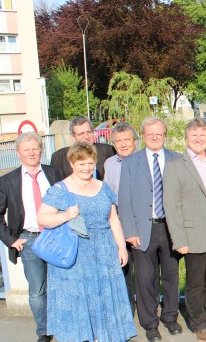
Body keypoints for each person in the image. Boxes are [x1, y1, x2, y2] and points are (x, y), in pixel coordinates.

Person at [37, 142, 136, 342]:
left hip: (104, 252)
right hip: (75, 254)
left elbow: (113, 219)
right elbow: (43, 219)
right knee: (80, 300)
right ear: (72, 163)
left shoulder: (102, 186)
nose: (87, 167)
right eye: (81, 163)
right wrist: (65, 215)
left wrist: (122, 247)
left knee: (103, 298)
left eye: (90, 163)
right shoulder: (60, 189)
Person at [163, 118, 206, 342]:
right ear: (186, 138)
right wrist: (179, 239)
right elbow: (171, 206)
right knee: (195, 282)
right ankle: (199, 323)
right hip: (194, 234)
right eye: (194, 135)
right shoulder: (175, 165)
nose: (198, 139)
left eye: (202, 135)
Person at [0, 133, 62, 342]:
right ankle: (44, 332)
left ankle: (65, 325)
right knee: (37, 291)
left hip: (56, 237)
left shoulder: (54, 173)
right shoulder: (9, 180)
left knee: (61, 285)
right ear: (18, 153)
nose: (31, 152)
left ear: (41, 150)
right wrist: (11, 240)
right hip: (29, 241)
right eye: (26, 149)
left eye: (35, 148)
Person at [118, 117, 182, 342]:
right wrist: (129, 231)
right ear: (143, 136)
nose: (155, 138)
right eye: (150, 134)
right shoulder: (130, 162)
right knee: (145, 278)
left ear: (165, 134)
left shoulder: (177, 159)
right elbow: (124, 200)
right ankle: (149, 323)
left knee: (171, 275)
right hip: (143, 228)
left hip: (170, 228)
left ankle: (170, 316)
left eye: (159, 134)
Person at [103, 121, 139, 315]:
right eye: (118, 141)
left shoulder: (143, 160)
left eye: (127, 140)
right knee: (123, 269)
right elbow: (108, 194)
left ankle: (146, 310)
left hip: (142, 224)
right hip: (118, 224)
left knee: (145, 272)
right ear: (114, 144)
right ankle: (127, 310)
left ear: (135, 141)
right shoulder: (109, 163)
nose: (123, 144)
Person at [50, 116, 116, 180]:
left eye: (89, 132)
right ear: (73, 137)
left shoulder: (109, 151)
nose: (86, 137)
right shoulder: (59, 158)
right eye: (81, 134)